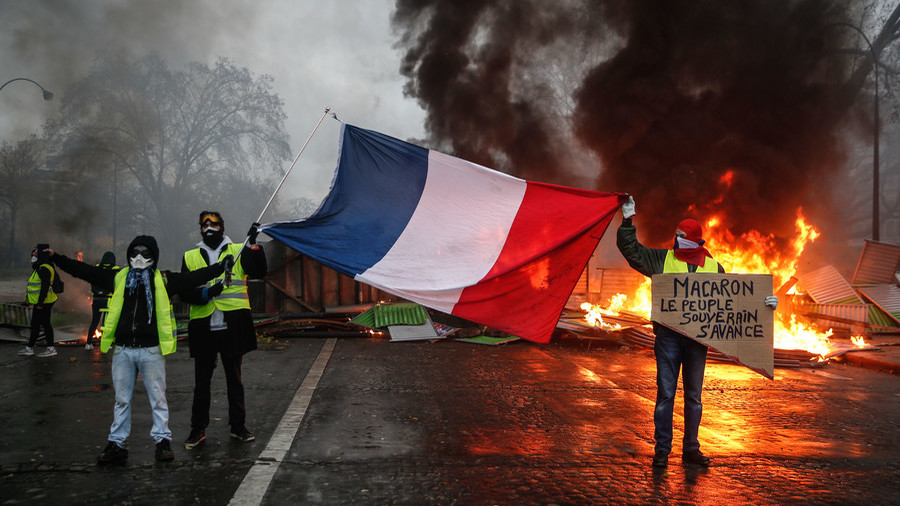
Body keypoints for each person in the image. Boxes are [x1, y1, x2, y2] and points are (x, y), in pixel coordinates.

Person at [616, 196, 777, 468]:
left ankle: (691, 449)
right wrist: (628, 220)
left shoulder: (714, 267)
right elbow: (632, 251)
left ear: (695, 239)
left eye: (682, 236)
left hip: (697, 340)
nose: (676, 240)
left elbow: (734, 302)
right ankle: (662, 451)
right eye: (675, 235)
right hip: (668, 337)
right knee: (666, 394)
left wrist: (765, 304)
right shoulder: (661, 259)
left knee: (693, 397)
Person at [48, 236, 230, 465]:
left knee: (158, 399)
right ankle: (116, 443)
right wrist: (56, 258)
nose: (139, 258)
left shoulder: (163, 279)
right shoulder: (119, 277)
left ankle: (162, 442)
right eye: (135, 253)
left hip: (151, 350)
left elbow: (191, 278)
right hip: (124, 350)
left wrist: (219, 267)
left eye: (145, 253)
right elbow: (85, 271)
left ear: (154, 256)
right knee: (121, 400)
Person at [181, 211, 267, 450]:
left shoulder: (238, 250)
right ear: (200, 228)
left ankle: (238, 427)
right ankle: (197, 429)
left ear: (222, 226)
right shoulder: (190, 256)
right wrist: (207, 293)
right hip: (203, 326)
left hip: (233, 325)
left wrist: (253, 244)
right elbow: (185, 291)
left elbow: (259, 272)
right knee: (201, 383)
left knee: (234, 380)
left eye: (214, 223)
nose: (209, 227)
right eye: (204, 224)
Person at [19, 244, 61, 358]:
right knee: (37, 324)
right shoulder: (41, 266)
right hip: (43, 301)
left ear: (41, 255)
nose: (33, 255)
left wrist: (40, 303)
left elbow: (45, 287)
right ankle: (30, 347)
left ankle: (50, 348)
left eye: (35, 253)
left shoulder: (44, 268)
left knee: (44, 324)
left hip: (45, 302)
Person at [85, 251, 120, 350]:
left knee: (94, 321)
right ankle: (105, 344)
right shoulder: (115, 270)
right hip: (108, 300)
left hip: (96, 299)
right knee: (106, 323)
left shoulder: (96, 268)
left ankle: (88, 344)